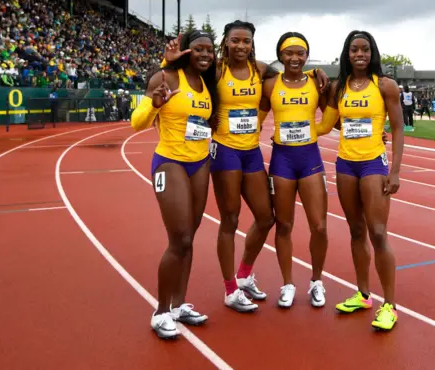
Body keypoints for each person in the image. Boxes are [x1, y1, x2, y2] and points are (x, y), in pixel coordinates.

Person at [161, 21, 329, 312]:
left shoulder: (262, 70)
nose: (241, 46)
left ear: (253, 44)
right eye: (235, 41)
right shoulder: (215, 70)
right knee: (230, 219)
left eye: (246, 41)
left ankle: (243, 275)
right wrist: (167, 60)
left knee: (266, 217)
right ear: (226, 42)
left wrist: (314, 71)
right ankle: (230, 290)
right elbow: (179, 75)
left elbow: (292, 71)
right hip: (225, 151)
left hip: (251, 152)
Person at [130, 30, 217, 339]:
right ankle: (161, 311)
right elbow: (137, 122)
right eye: (198, 49)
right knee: (179, 238)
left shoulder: (209, 84)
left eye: (210, 50)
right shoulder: (165, 78)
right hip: (171, 162)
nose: (205, 54)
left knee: (190, 238)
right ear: (185, 52)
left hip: (200, 163)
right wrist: (154, 104)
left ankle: (179, 305)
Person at [315, 30, 404, 331]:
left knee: (378, 233)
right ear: (347, 54)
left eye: (365, 49)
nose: (360, 54)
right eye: (354, 50)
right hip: (345, 164)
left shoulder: (385, 86)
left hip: (373, 165)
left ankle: (389, 305)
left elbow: (399, 129)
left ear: (373, 52)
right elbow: (334, 122)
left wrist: (395, 171)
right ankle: (363, 294)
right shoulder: (339, 88)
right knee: (356, 231)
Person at [258, 32, 328, 308]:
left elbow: (333, 116)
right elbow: (257, 119)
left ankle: (316, 281)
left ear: (307, 56)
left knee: (319, 226)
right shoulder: (271, 85)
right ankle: (287, 284)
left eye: (300, 53)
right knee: (284, 224)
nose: (295, 58)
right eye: (289, 53)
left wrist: (366, 135)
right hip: (282, 160)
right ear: (280, 55)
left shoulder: (316, 82)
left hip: (310, 158)